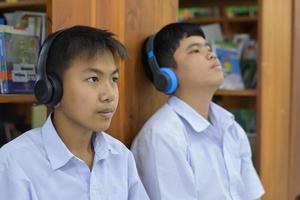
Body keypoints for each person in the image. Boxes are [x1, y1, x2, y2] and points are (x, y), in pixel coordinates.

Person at [0, 25, 149, 200]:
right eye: (93, 79)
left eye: (113, 79)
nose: (109, 95)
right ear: (52, 88)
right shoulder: (14, 163)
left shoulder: (120, 156)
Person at [131, 22, 264, 200]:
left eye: (208, 47)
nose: (211, 54)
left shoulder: (231, 128)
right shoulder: (161, 136)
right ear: (167, 76)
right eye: (195, 50)